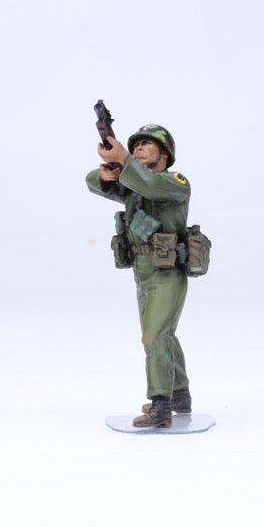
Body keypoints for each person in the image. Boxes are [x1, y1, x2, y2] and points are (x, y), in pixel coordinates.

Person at [85, 124, 192, 428]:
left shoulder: (175, 183)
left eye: (147, 143)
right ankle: (180, 394)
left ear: (164, 152)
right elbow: (93, 183)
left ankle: (160, 407)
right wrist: (107, 173)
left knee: (153, 337)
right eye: (135, 145)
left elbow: (150, 185)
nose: (139, 148)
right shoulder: (135, 184)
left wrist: (124, 160)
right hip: (142, 273)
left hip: (166, 272)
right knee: (164, 335)